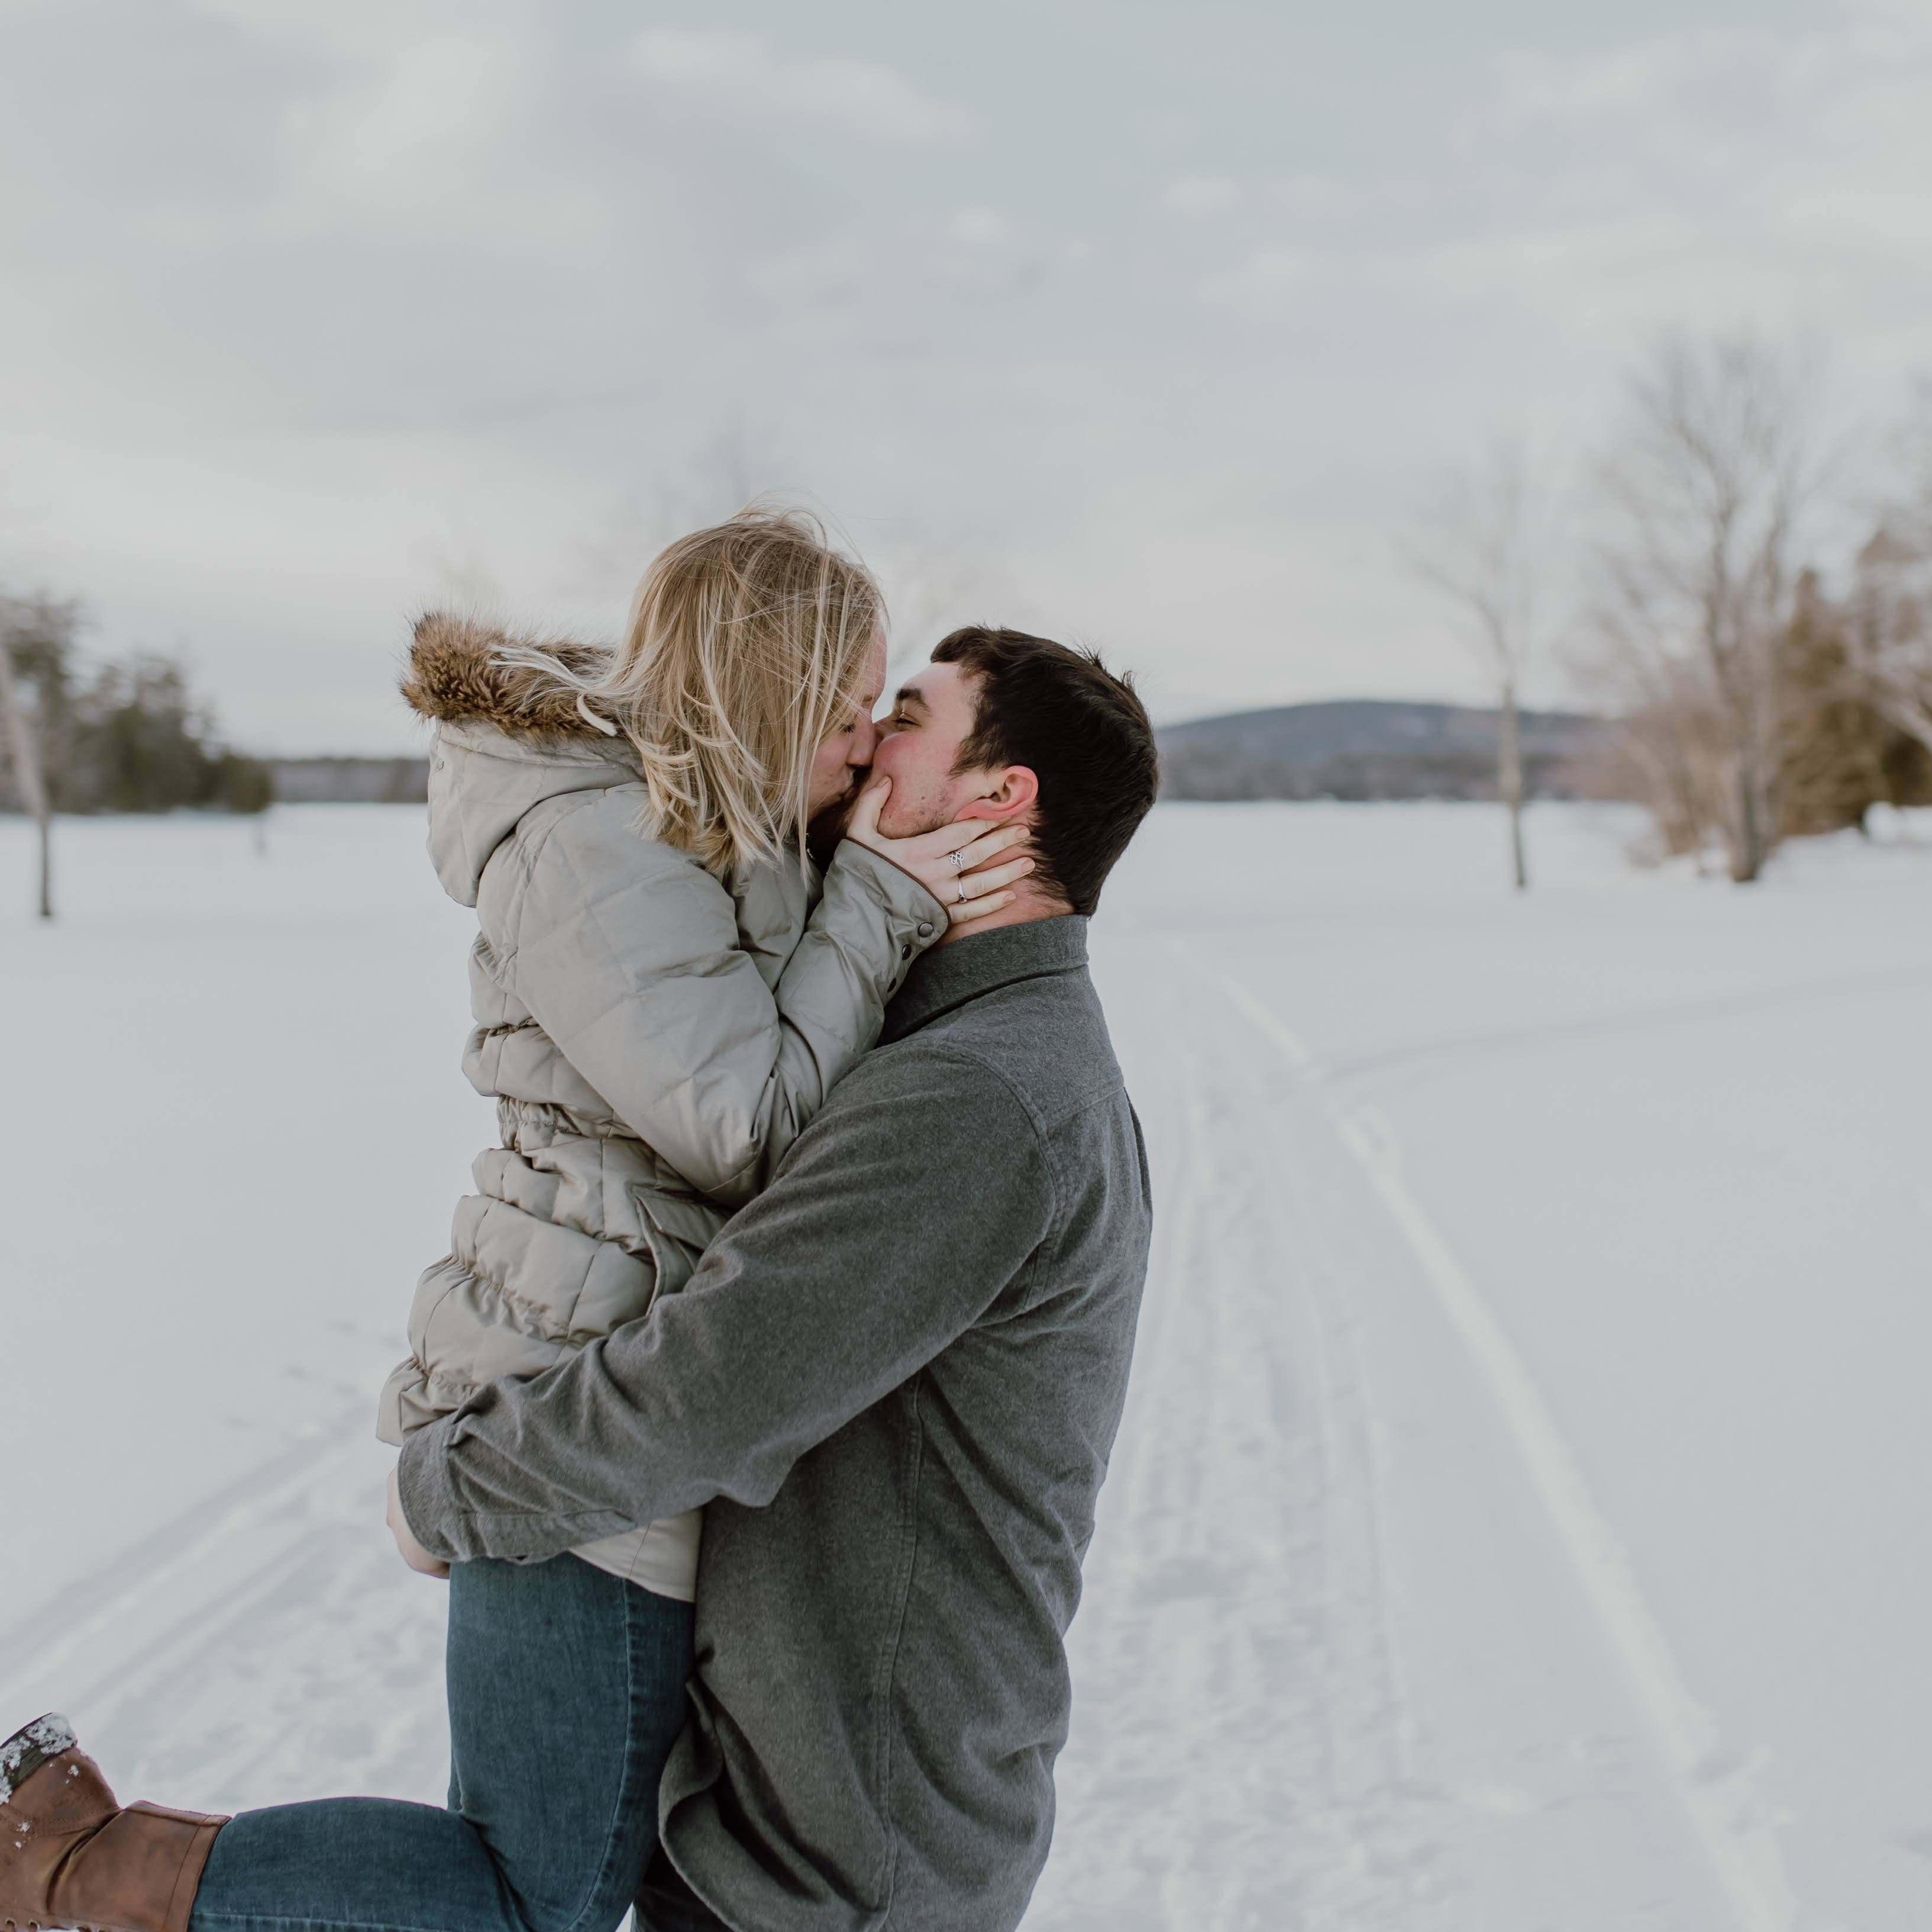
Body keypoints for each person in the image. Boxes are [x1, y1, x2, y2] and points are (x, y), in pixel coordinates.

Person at [0, 623, 1160, 1932]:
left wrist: (450, 1485)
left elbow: (716, 1382)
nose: (865, 741)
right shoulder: (965, 1045)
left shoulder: (981, 1096)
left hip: (846, 1864)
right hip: (818, 1822)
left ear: (1001, 798)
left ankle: (74, 1869)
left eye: (906, 716)